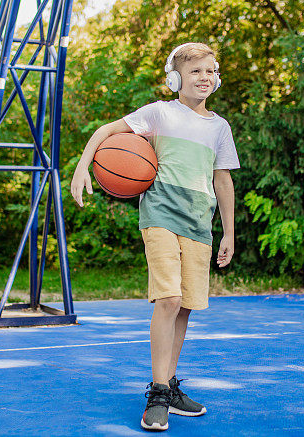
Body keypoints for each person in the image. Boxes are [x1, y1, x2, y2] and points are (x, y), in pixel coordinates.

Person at [70, 42, 239, 432]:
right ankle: (158, 392)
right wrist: (83, 167)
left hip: (200, 223)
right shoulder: (159, 113)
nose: (205, 77)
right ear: (175, 78)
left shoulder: (219, 127)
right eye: (196, 71)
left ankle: (171, 383)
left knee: (185, 306)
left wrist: (229, 231)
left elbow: (223, 179)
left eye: (211, 71)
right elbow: (105, 131)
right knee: (169, 298)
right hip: (161, 214)